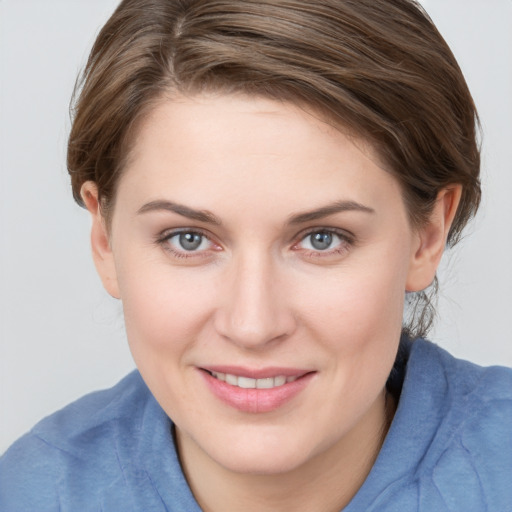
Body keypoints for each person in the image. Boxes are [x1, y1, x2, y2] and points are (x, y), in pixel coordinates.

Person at [1, 0, 511, 510]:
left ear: (428, 233)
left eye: (322, 238)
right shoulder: (31, 493)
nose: (252, 325)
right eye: (188, 239)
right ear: (105, 239)